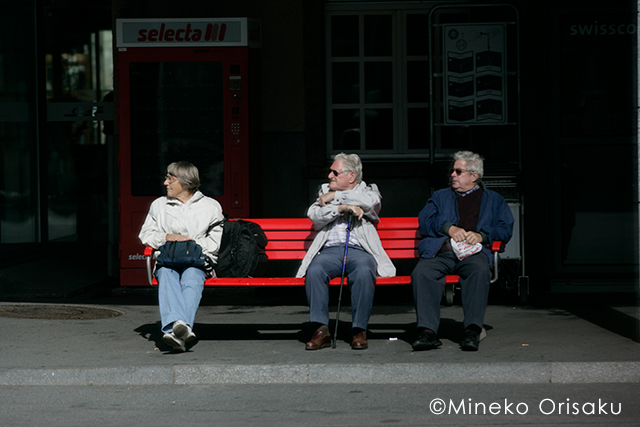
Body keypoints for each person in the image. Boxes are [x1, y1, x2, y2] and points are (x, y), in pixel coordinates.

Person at [411, 151, 513, 351]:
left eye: (458, 171)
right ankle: (428, 331)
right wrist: (449, 228)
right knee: (422, 272)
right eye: (452, 171)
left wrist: (482, 236)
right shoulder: (440, 196)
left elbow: (505, 228)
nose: (452, 175)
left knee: (479, 270)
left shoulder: (494, 199)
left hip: (473, 253)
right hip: (442, 251)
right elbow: (425, 221)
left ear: (474, 176)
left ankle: (472, 330)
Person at [296, 153, 396, 350]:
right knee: (315, 271)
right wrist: (341, 208)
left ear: (351, 176)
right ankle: (321, 329)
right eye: (330, 172)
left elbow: (369, 203)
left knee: (364, 270)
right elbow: (314, 215)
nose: (330, 176)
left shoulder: (369, 191)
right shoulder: (323, 190)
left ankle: (359, 329)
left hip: (360, 250)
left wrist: (336, 197)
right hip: (330, 251)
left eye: (335, 172)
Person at [139, 161, 224, 352]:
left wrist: (188, 247)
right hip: (167, 260)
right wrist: (168, 238)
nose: (165, 183)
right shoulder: (159, 205)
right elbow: (146, 234)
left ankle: (173, 329)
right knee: (167, 276)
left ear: (185, 182)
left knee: (192, 277)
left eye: (170, 178)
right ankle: (181, 328)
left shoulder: (210, 206)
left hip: (197, 261)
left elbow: (215, 242)